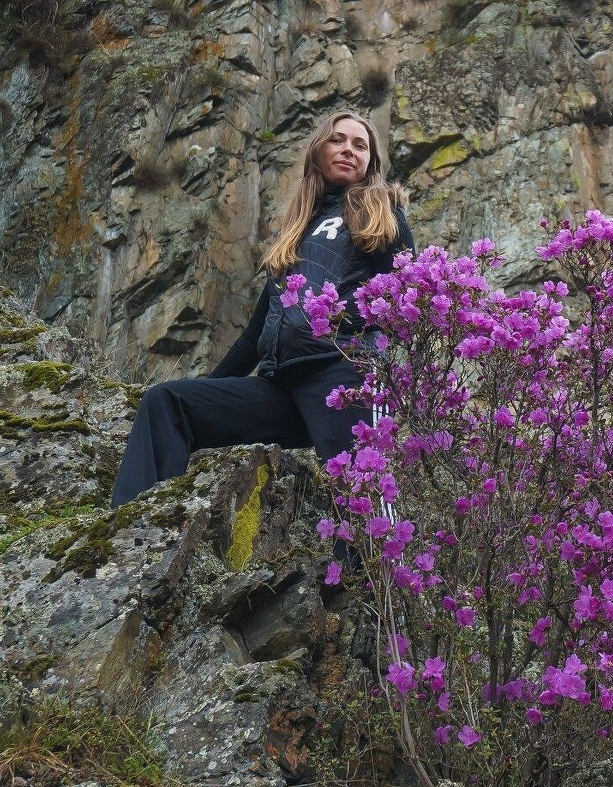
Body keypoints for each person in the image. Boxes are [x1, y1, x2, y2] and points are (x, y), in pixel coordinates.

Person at [111, 111, 413, 508]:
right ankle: (134, 528)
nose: (348, 150)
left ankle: (368, 573)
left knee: (362, 508)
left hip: (344, 376)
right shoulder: (294, 235)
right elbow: (256, 335)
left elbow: (407, 296)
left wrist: (363, 349)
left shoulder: (380, 212)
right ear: (317, 152)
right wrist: (212, 387)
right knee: (168, 403)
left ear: (370, 164)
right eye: (337, 140)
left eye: (360, 146)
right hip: (281, 385)